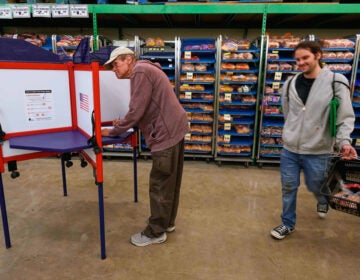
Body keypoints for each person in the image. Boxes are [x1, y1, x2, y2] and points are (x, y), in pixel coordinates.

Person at [270, 41, 358, 240]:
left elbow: (345, 115)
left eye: (305, 58)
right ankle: (287, 223)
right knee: (288, 186)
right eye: (297, 59)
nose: (300, 63)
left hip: (318, 149)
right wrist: (291, 131)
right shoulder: (290, 83)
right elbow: (288, 111)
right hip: (290, 149)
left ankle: (323, 199)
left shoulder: (336, 81)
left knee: (316, 185)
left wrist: (344, 142)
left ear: (318, 55)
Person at [102, 47, 189, 247]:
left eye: (116, 64)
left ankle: (156, 231)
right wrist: (123, 122)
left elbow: (136, 110)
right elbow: (144, 108)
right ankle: (167, 222)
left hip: (165, 133)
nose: (114, 70)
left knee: (159, 183)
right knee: (170, 181)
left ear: (129, 59)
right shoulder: (147, 69)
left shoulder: (140, 71)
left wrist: (113, 131)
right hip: (175, 128)